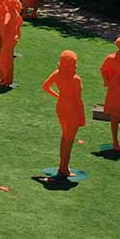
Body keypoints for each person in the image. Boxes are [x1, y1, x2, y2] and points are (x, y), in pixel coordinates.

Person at [42, 50, 87, 178]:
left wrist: (58, 96)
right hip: (72, 110)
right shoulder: (75, 79)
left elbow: (45, 86)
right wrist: (82, 117)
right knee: (69, 140)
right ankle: (64, 169)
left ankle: (63, 166)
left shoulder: (57, 74)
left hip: (61, 107)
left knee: (65, 137)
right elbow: (78, 101)